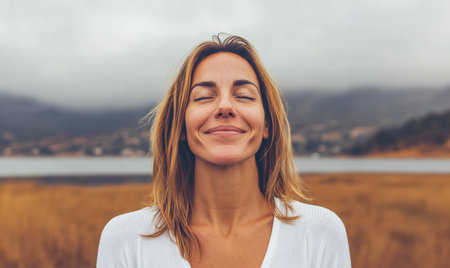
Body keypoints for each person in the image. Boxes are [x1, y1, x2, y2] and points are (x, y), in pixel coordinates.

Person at [97, 34, 351, 268]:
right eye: (204, 97)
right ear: (181, 127)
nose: (225, 106)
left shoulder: (320, 232)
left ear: (267, 125)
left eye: (245, 96)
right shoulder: (127, 238)